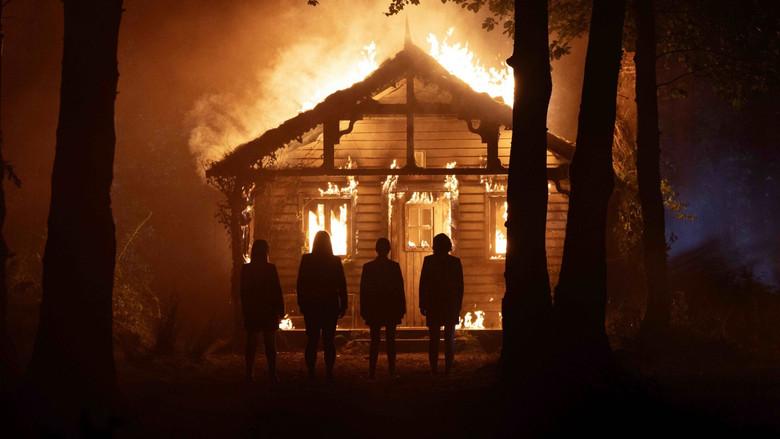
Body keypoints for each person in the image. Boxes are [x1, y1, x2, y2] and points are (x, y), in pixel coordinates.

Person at [296, 230, 348, 381]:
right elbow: (342, 285)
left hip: (312, 306)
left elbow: (301, 283)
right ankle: (329, 372)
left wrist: (301, 303)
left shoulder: (307, 260)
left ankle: (311, 372)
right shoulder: (335, 261)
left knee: (312, 339)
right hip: (330, 306)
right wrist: (343, 304)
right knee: (329, 340)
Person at [360, 238, 405, 379]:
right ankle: (392, 371)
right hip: (390, 309)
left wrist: (364, 310)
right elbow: (399, 290)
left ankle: (372, 372)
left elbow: (364, 291)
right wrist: (401, 308)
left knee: (375, 341)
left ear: (376, 250)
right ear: (389, 250)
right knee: (391, 342)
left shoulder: (368, 267)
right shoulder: (394, 267)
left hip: (374, 309)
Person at [240, 239, 285, 383]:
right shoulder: (271, 268)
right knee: (270, 343)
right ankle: (272, 373)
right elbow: (277, 290)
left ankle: (249, 373)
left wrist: (245, 309)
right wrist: (280, 309)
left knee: (251, 342)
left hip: (253, 309)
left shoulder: (246, 269)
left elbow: (243, 292)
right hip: (268, 309)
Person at [419, 233, 463, 375]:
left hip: (434, 304)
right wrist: (458, 305)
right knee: (449, 338)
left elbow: (423, 284)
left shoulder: (429, 261)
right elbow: (459, 287)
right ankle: (447, 370)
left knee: (434, 339)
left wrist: (422, 303)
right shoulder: (455, 262)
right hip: (450, 304)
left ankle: (434, 370)